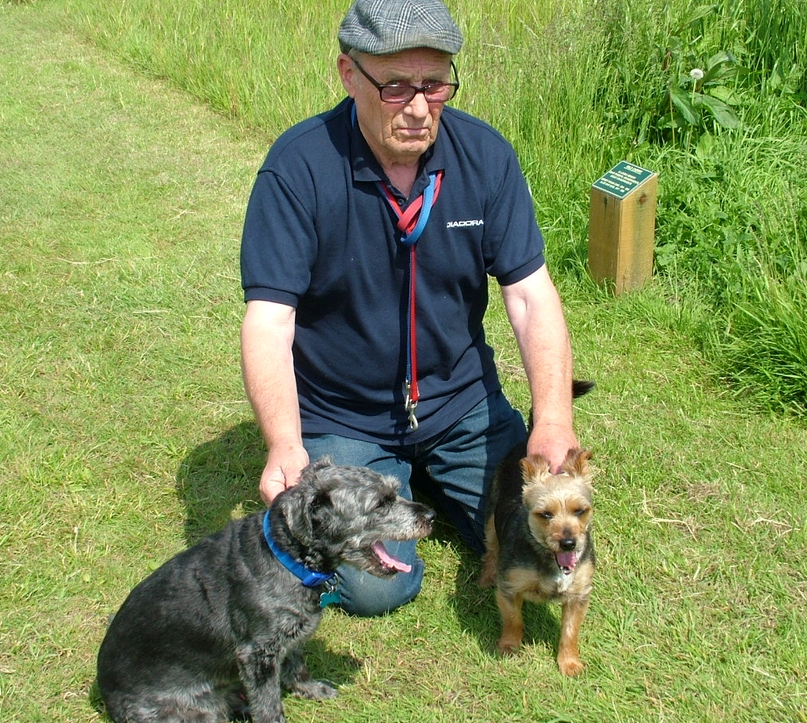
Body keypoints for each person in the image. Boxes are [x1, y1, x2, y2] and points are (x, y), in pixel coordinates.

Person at [239, 0, 582, 616]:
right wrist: (285, 442)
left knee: (542, 534)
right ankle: (381, 470)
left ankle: (420, 478)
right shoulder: (298, 168)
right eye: (396, 87)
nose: (420, 108)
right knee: (379, 587)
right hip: (346, 413)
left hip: (461, 402)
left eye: (436, 84)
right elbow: (269, 320)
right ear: (349, 74)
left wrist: (553, 419)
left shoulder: (486, 157)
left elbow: (531, 296)